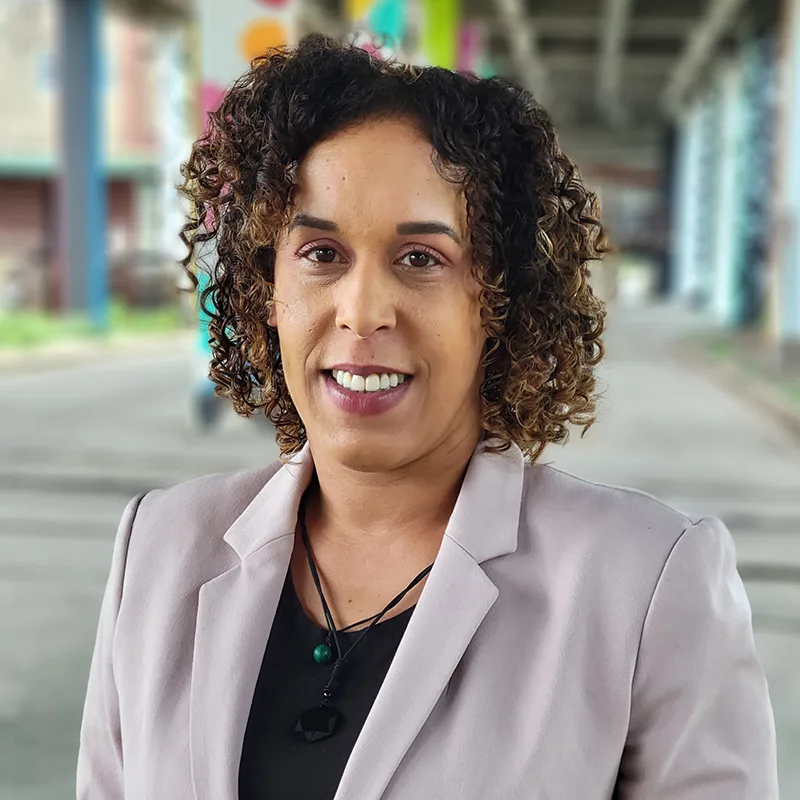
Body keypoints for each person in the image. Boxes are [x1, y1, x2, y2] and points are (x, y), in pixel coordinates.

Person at [76, 35, 778, 800]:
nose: (364, 310)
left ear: (500, 301)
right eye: (320, 253)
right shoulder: (158, 549)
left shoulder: (648, 585)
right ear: (263, 289)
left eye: (421, 259)